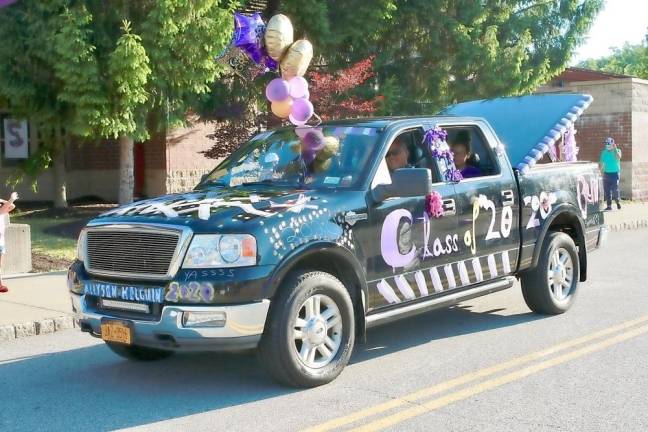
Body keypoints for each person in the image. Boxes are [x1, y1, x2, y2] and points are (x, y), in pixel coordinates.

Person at [0, 192, 18, 293]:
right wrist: (11, 199)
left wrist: (2, 200)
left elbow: (12, 206)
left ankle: (0, 285)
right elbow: (3, 209)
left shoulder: (2, 210)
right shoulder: (1, 211)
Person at [599, 137, 622, 210]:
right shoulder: (604, 152)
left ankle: (617, 201)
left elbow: (618, 157)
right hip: (606, 173)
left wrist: (615, 149)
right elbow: (601, 163)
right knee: (607, 190)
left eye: (608, 144)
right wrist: (599, 172)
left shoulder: (617, 150)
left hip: (615, 174)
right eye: (606, 144)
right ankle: (609, 206)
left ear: (612, 144)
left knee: (615, 189)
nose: (607, 145)